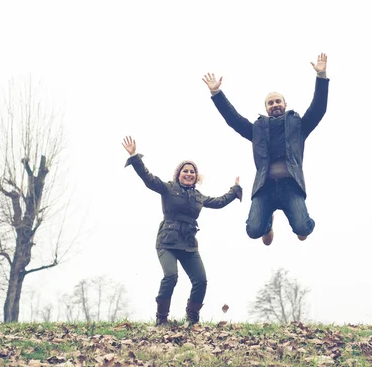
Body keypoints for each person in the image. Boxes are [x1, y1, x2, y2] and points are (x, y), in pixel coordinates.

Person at [202, 53, 329, 246]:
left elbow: (318, 109)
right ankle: (268, 224)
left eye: (278, 101)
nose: (275, 105)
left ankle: (299, 223)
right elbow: (233, 119)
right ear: (266, 108)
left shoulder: (298, 126)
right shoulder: (257, 129)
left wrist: (321, 76)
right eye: (271, 103)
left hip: (290, 185)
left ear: (285, 105)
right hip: (265, 187)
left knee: (303, 228)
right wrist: (216, 94)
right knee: (253, 231)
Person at [122, 136, 242, 325]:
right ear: (178, 174)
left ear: (196, 176)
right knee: (171, 276)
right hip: (167, 242)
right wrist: (135, 156)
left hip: (188, 244)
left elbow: (219, 202)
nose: (188, 174)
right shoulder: (168, 188)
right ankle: (161, 319)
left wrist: (234, 190)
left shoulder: (198, 196)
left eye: (192, 172)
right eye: (185, 171)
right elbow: (148, 178)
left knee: (201, 280)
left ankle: (192, 318)